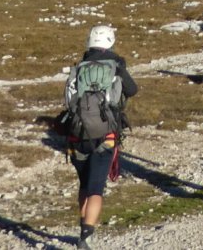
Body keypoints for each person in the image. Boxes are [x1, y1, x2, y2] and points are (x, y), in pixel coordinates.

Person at [65, 24, 136, 250]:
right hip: (105, 136)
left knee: (84, 186)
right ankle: (86, 236)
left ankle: (83, 226)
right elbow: (132, 90)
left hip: (77, 135)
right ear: (111, 42)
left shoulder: (79, 68)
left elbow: (68, 101)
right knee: (96, 188)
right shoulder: (116, 67)